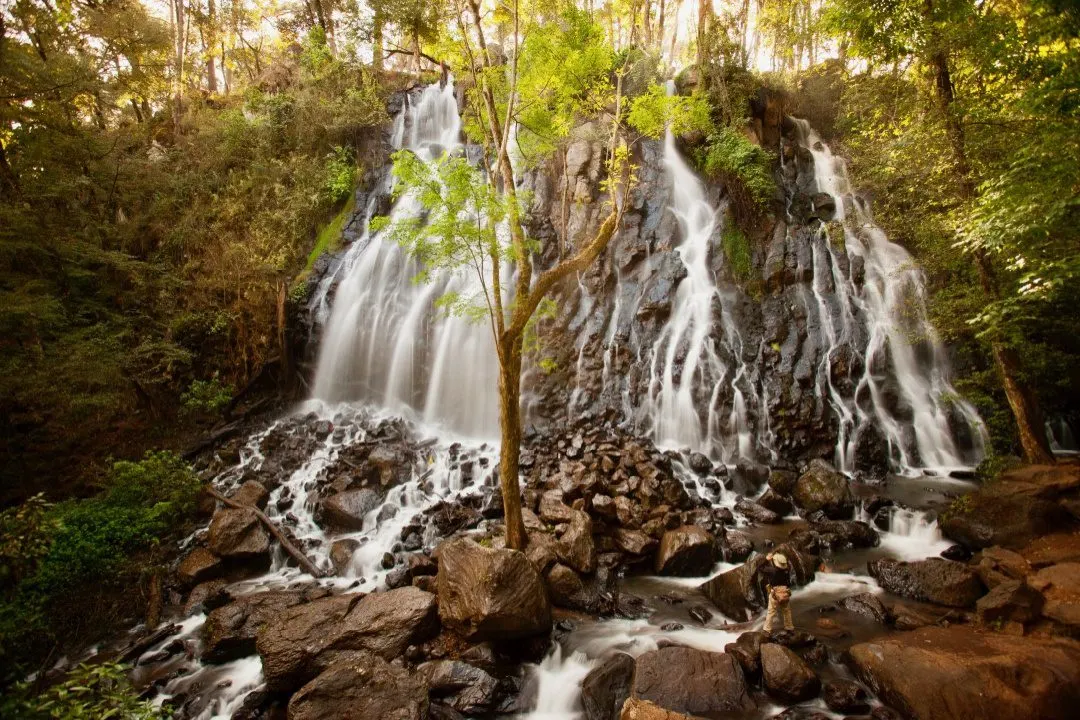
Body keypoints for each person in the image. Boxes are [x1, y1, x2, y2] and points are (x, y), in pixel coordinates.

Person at [762, 552, 794, 633]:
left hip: (775, 593)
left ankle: (767, 630)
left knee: (771, 611)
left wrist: (766, 560)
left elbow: (760, 568)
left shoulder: (772, 570)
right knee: (786, 611)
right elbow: (789, 583)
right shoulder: (787, 570)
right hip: (785, 592)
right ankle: (789, 627)